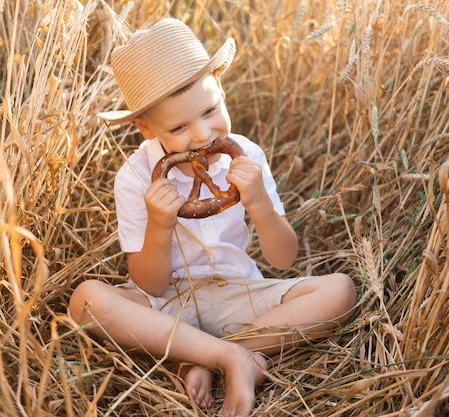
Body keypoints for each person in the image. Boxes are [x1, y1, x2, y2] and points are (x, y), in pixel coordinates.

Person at [69, 18, 357, 417]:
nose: (203, 135)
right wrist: (160, 225)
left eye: (210, 109)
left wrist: (258, 203)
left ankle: (211, 354)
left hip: (237, 293)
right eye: (179, 126)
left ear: (220, 85)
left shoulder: (247, 157)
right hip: (165, 303)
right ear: (144, 127)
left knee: (340, 291)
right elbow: (148, 282)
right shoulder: (136, 177)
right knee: (85, 301)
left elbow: (283, 258)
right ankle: (227, 355)